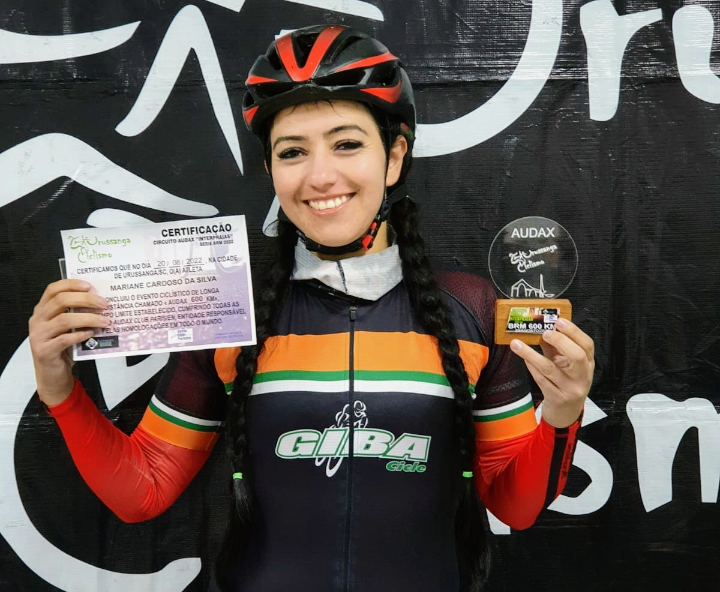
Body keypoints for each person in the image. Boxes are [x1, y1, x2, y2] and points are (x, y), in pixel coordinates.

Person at [28, 24, 594, 592]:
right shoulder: (228, 308)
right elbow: (143, 490)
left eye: (347, 144)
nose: (320, 176)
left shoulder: (470, 307)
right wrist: (59, 390)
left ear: (394, 157)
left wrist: (563, 412)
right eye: (293, 152)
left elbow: (515, 508)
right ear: (271, 169)